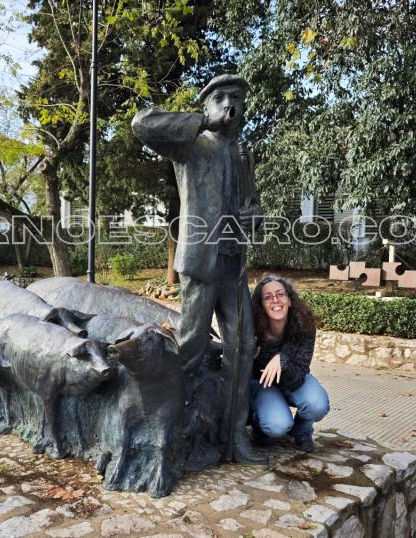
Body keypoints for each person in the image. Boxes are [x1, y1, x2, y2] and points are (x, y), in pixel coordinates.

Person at [131, 74, 266, 464]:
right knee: (191, 347)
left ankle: (231, 439)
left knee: (241, 350)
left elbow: (252, 208)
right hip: (201, 264)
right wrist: (199, 122)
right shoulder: (191, 145)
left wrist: (252, 214)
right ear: (206, 106)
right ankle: (161, 430)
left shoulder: (242, 153)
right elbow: (142, 124)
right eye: (220, 99)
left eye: (236, 99)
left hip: (233, 265)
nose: (230, 105)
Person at [250, 275, 330, 452]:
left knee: (317, 404)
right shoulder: (253, 329)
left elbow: (300, 372)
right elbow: (244, 376)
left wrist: (282, 359)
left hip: (294, 379)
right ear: (261, 305)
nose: (276, 300)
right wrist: (249, 358)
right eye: (268, 297)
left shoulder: (304, 326)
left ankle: (302, 431)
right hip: (263, 385)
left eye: (280, 294)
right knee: (277, 426)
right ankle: (260, 424)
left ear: (290, 300)